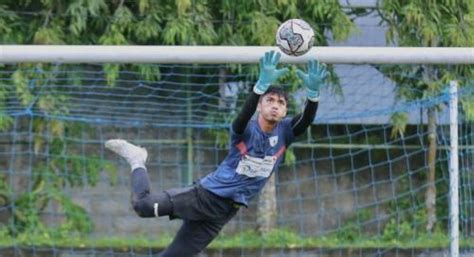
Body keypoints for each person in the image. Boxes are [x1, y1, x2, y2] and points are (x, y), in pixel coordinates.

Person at [104, 50, 327, 257]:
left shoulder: (285, 132)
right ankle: (136, 158)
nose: (275, 105)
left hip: (222, 214)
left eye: (281, 103)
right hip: (204, 196)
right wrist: (261, 86)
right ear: (259, 106)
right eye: (269, 100)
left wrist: (313, 94)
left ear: (286, 111)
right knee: (143, 206)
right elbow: (241, 117)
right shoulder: (246, 129)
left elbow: (305, 120)